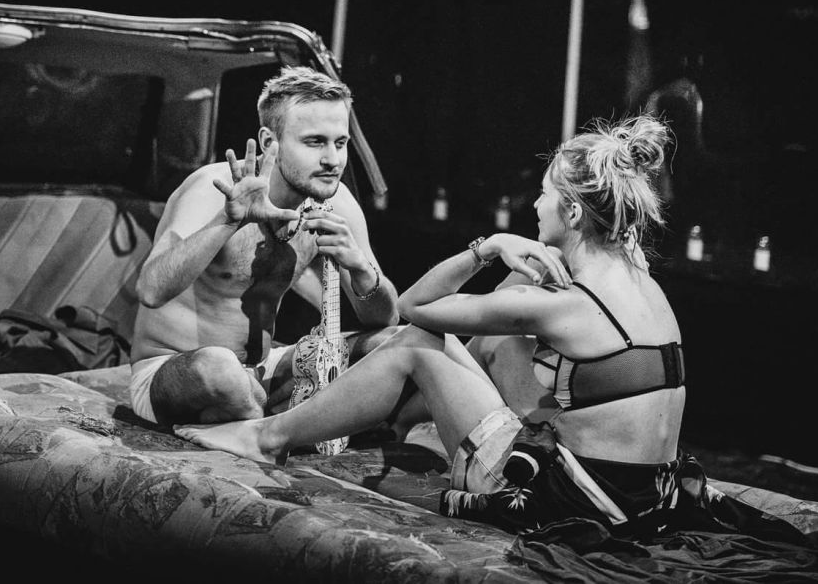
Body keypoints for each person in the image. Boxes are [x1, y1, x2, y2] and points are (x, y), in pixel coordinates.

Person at [175, 114, 699, 534]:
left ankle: (268, 437)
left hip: (573, 502)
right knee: (497, 335)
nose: (536, 205)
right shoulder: (639, 279)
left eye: (544, 194)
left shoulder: (562, 305)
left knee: (416, 344)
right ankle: (415, 426)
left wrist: (487, 248)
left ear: (576, 215)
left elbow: (414, 307)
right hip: (646, 497)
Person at [128, 65, 400, 426]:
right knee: (221, 369)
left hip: (260, 371)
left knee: (396, 344)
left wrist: (361, 269)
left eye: (340, 143)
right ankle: (273, 427)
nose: (332, 160)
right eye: (314, 142)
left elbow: (385, 320)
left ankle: (259, 422)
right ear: (270, 141)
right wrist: (227, 222)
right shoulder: (213, 188)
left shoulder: (337, 204)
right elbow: (150, 290)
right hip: (175, 372)